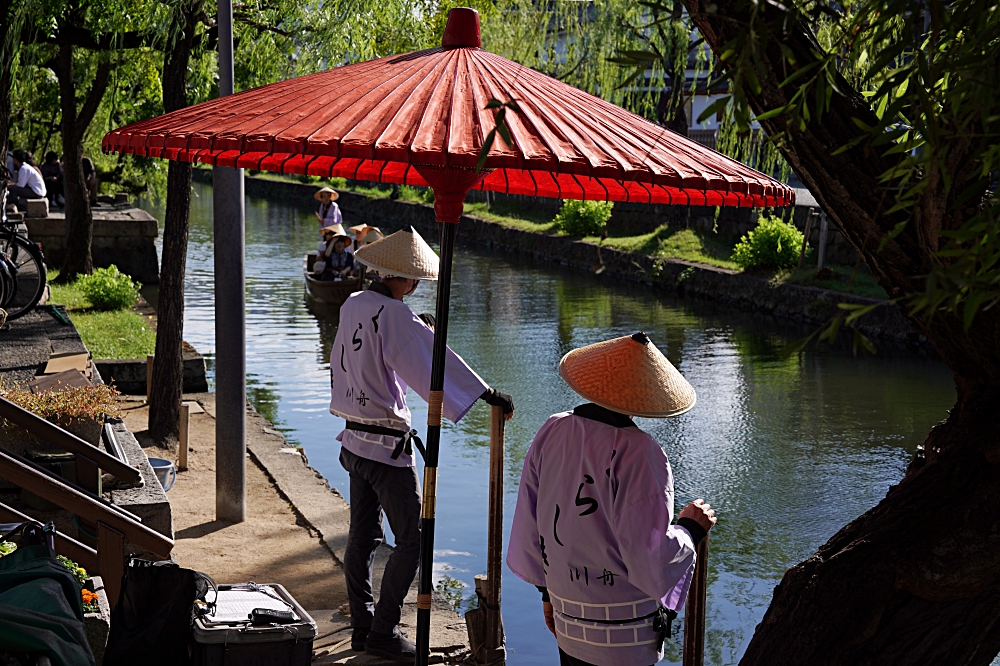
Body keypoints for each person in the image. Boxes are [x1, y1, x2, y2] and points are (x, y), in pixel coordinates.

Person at [329, 227, 514, 662]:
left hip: (354, 440)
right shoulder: (395, 315)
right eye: (414, 281)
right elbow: (432, 361)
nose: (415, 288)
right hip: (385, 448)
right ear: (404, 279)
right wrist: (487, 393)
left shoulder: (354, 302)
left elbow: (387, 348)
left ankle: (362, 625)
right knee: (413, 540)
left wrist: (417, 326)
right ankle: (383, 632)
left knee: (362, 536)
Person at [507, 332, 717, 666]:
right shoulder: (641, 452)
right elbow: (647, 555)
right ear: (645, 397)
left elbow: (531, 520)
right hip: (625, 635)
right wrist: (690, 529)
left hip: (567, 614)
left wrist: (546, 593)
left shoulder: (554, 429)